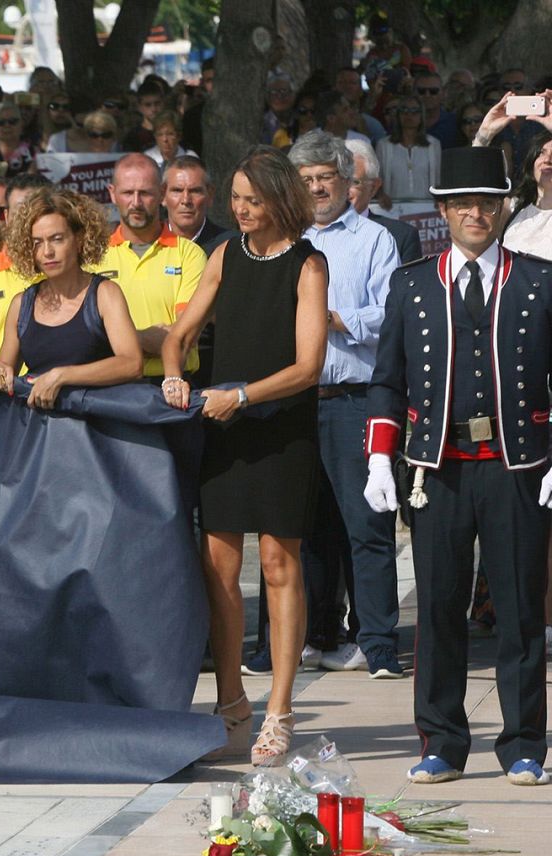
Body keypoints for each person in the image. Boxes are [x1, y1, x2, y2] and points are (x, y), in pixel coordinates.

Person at [363, 147, 552, 787]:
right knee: (438, 609)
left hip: (518, 465)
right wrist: (379, 458)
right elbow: (387, 381)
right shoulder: (412, 283)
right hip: (434, 468)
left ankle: (525, 743)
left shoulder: (538, 280)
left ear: (504, 207)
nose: (476, 213)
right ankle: (442, 741)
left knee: (522, 610)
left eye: (488, 202)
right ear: (442, 211)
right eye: (463, 203)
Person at [160, 146, 329, 766]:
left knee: (282, 566)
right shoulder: (225, 253)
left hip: (282, 431)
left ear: (281, 200)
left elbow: (309, 366)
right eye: (235, 199)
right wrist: (175, 377)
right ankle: (231, 703)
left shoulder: (309, 265)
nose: (240, 210)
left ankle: (279, 712)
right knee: (219, 569)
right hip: (225, 430)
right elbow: (178, 335)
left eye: (252, 200)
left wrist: (241, 394)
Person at [283, 131, 405, 679]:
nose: (316, 189)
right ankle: (311, 635)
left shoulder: (376, 239)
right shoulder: (283, 242)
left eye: (324, 179)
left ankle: (378, 643)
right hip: (296, 401)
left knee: (368, 526)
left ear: (345, 181)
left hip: (355, 398)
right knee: (305, 528)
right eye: (305, 181)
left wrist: (334, 319)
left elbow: (391, 314)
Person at [0, 188, 141, 403]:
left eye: (57, 239)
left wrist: (62, 376)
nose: (47, 251)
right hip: (39, 428)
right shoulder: (21, 304)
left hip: (97, 427)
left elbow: (132, 364)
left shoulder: (105, 294)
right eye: (37, 243)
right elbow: (5, 367)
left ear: (79, 239)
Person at [93, 154, 207, 381]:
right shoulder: (92, 256)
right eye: (127, 193)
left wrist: (115, 339)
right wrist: (155, 337)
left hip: (171, 385)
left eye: (145, 193)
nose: (136, 202)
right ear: (112, 193)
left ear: (162, 193)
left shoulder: (189, 254)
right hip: (107, 388)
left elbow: (184, 339)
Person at [0, 175, 48, 356]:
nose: (27, 221)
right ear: (6, 216)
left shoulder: (73, 273)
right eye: (20, 211)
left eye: (37, 212)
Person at [346, 139, 423, 263]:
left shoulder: (401, 236)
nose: (343, 189)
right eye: (338, 180)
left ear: (373, 187)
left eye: (353, 182)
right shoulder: (309, 233)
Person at [471, 89, 552, 178]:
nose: (548, 159)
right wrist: (485, 132)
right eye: (542, 153)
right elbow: (471, 179)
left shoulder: (537, 128)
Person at [377, 95, 443, 202]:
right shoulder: (383, 145)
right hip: (392, 209)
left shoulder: (434, 144)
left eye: (415, 111)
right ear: (398, 115)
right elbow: (376, 179)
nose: (409, 115)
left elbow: (438, 179)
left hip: (427, 209)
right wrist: (380, 195)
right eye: (404, 110)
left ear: (422, 116)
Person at [162, 157, 234, 254]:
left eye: (195, 191)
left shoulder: (230, 246)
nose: (186, 200)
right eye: (177, 191)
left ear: (210, 195)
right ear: (162, 196)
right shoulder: (146, 243)